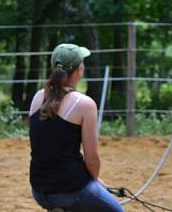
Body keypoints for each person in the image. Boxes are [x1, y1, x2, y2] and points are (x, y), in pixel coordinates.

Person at [28, 43, 124, 212]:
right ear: (80, 69)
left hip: (38, 189)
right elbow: (92, 159)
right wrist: (95, 181)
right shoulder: (85, 104)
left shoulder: (37, 97)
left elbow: (46, 148)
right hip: (70, 190)